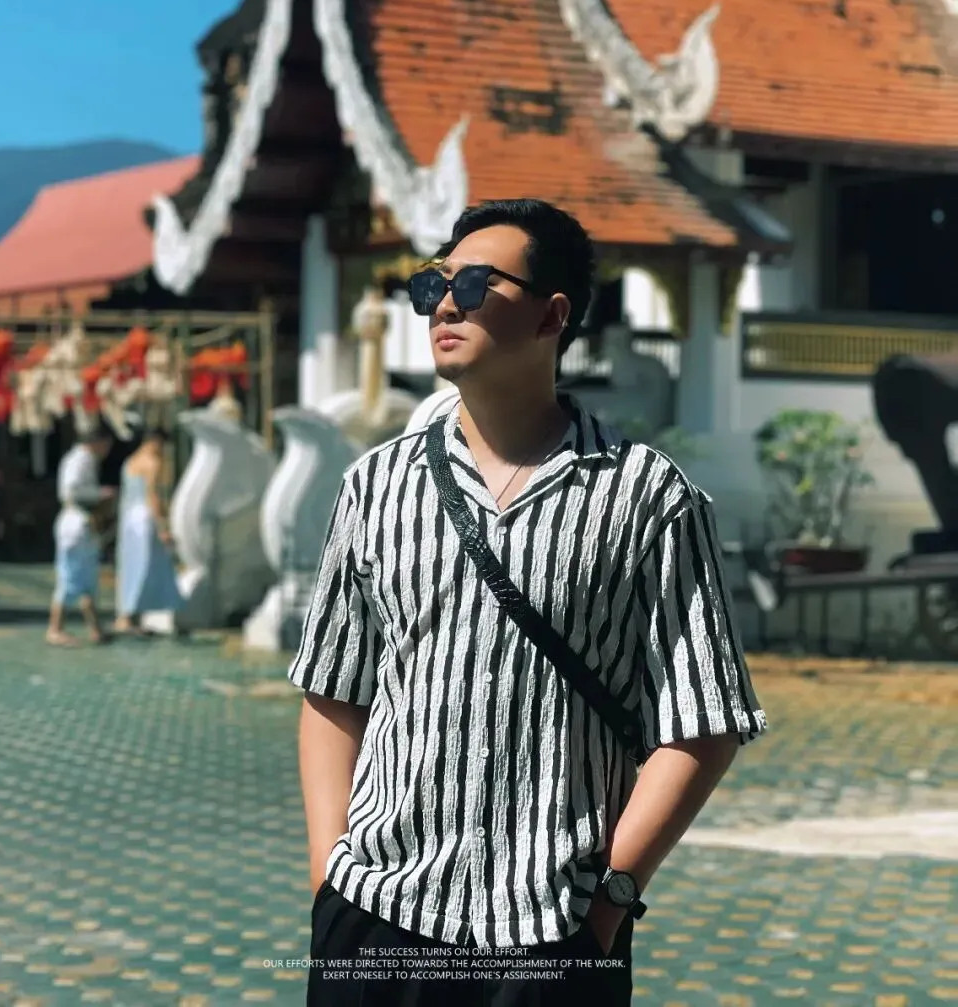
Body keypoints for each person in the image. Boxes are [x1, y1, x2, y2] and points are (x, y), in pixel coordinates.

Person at [288, 199, 767, 1005]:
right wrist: (328, 877)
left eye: (476, 284)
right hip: (379, 919)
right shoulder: (376, 485)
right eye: (433, 284)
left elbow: (703, 721)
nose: (445, 304)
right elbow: (334, 692)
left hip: (551, 931)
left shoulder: (647, 496)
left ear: (553, 315)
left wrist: (609, 905)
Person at [47, 426, 115, 647]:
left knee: (88, 577)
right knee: (71, 575)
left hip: (83, 524)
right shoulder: (80, 459)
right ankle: (55, 629)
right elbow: (73, 492)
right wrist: (101, 494)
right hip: (75, 524)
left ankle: (95, 628)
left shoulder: (85, 459)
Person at [114, 427, 181, 635]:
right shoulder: (153, 462)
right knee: (145, 566)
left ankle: (128, 615)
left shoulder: (130, 461)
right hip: (144, 518)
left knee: (130, 565)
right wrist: (163, 526)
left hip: (128, 518)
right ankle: (131, 614)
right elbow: (153, 495)